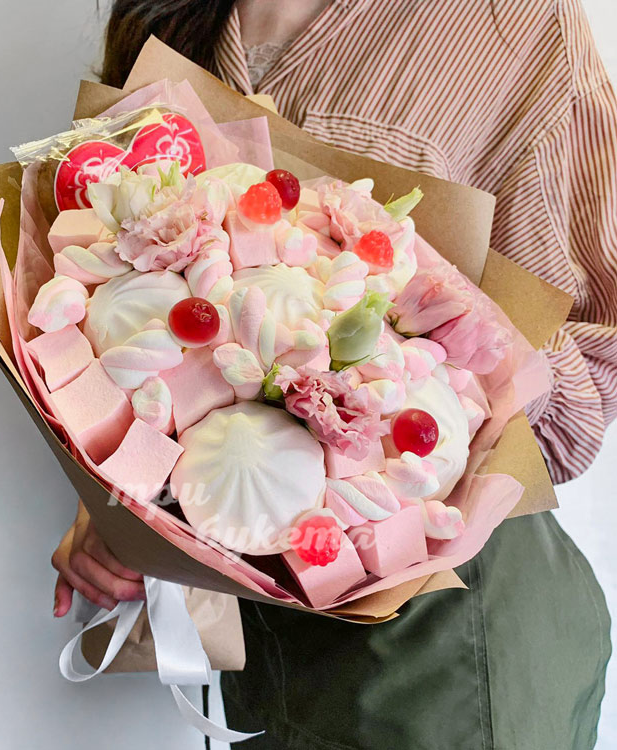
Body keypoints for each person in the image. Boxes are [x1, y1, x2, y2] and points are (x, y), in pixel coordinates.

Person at [51, 1, 616, 746]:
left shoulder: (514, 23)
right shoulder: (166, 21)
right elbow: (128, 321)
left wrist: (442, 337)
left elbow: (590, 378)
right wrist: (122, 500)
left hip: (443, 635)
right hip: (266, 636)